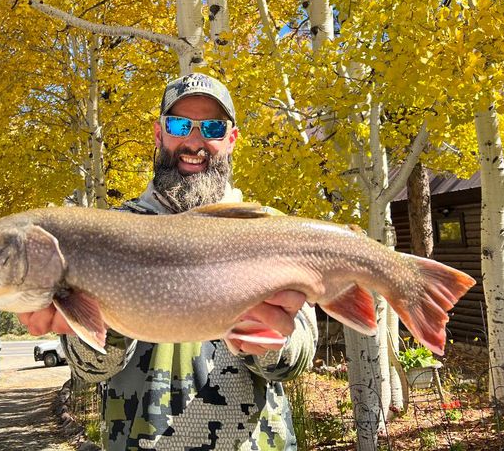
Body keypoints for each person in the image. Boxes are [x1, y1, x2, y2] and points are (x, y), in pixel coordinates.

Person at [18, 73, 318, 450]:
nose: (194, 142)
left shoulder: (268, 228)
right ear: (160, 134)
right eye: (179, 125)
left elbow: (296, 361)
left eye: (211, 126)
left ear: (231, 139)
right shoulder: (106, 233)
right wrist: (105, 317)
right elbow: (90, 369)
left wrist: (270, 340)